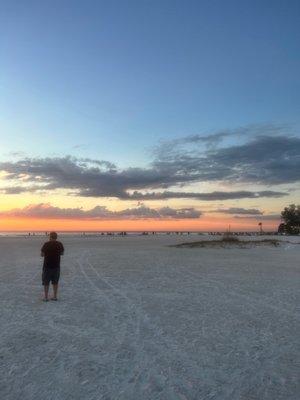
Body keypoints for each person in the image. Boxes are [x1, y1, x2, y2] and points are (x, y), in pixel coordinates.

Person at [41, 232, 64, 301]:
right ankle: (55, 296)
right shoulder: (59, 244)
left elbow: (42, 254)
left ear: (50, 237)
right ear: (56, 237)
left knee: (46, 282)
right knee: (55, 282)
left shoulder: (46, 244)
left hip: (47, 266)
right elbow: (62, 253)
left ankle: (46, 297)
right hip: (56, 266)